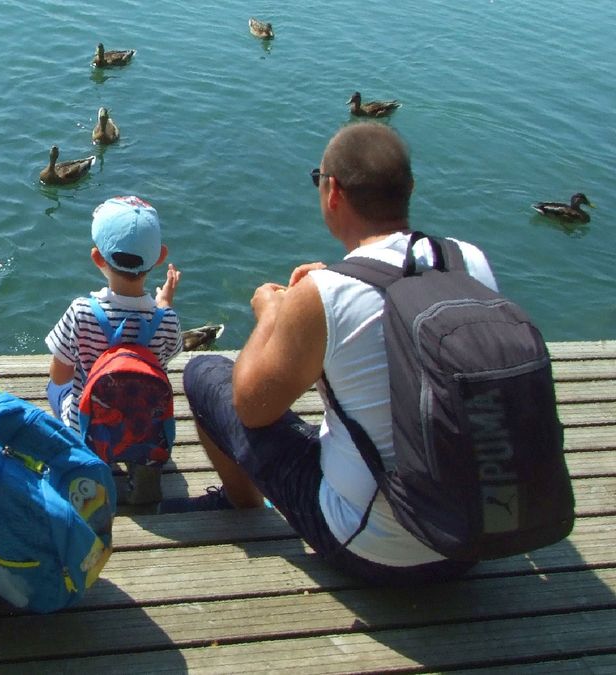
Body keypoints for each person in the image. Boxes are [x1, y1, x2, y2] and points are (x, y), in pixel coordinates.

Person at [164, 123, 495, 585]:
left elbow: (251, 408)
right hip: (476, 537)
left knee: (204, 372)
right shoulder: (467, 260)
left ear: (332, 192)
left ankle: (238, 502)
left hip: (375, 550)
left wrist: (273, 316)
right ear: (410, 189)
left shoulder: (328, 293)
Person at [45, 195, 183, 502]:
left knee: (54, 389)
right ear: (160, 257)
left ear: (97, 258)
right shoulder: (167, 321)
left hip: (89, 424)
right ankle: (142, 465)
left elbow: (60, 375)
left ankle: (85, 458)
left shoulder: (81, 311)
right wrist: (164, 306)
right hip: (143, 427)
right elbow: (164, 358)